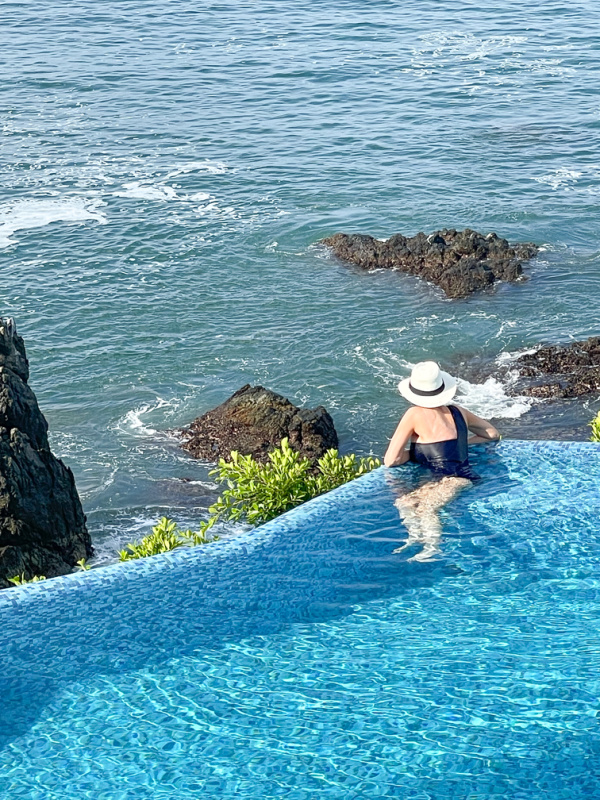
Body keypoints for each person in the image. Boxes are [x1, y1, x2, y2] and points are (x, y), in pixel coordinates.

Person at [384, 361, 500, 562]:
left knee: (426, 508)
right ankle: (415, 538)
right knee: (406, 501)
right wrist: (461, 443)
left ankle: (432, 547)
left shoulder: (413, 414)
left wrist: (413, 454)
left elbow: (391, 460)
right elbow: (492, 434)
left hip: (451, 479)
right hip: (460, 477)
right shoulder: (458, 411)